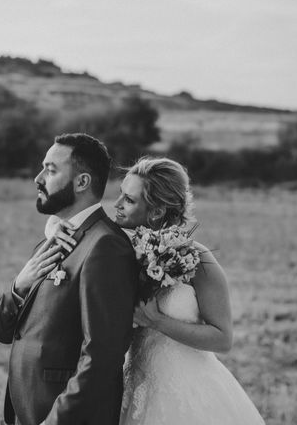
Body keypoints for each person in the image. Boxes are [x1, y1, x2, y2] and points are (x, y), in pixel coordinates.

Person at [0, 133, 138, 425]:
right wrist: (19, 285)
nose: (37, 178)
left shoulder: (106, 246)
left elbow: (101, 357)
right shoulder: (55, 237)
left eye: (51, 170)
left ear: (82, 182)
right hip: (28, 411)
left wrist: (56, 421)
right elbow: (5, 331)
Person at [112, 157, 266, 425]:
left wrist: (156, 320)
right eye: (120, 195)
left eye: (129, 199)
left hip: (185, 387)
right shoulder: (123, 251)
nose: (117, 204)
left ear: (157, 211)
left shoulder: (196, 259)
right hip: (134, 380)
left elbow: (222, 338)